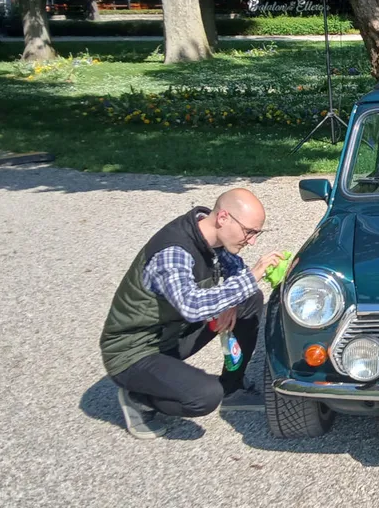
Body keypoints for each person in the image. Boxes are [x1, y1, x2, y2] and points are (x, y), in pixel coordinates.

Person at [98, 188, 285, 439]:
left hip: (171, 333)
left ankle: (234, 387)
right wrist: (253, 275)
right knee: (205, 397)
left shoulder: (212, 238)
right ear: (223, 218)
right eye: (249, 232)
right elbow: (191, 305)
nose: (251, 241)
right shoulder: (173, 252)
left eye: (256, 234)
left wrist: (232, 300)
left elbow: (236, 274)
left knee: (249, 299)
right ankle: (138, 398)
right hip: (133, 350)